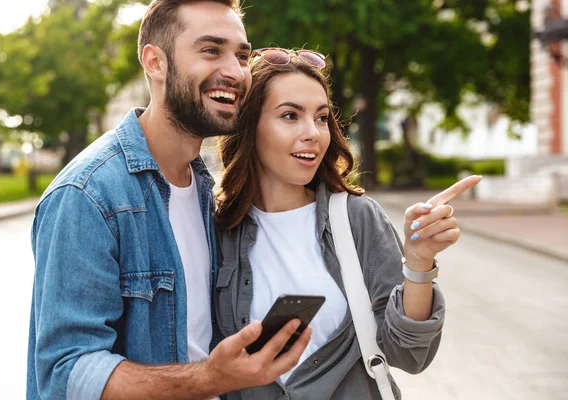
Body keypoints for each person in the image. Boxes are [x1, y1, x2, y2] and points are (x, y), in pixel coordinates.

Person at [27, 3, 312, 399]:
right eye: (211, 50)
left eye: (242, 55)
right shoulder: (88, 195)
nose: (234, 71)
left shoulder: (205, 189)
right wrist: (210, 378)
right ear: (154, 62)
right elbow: (68, 370)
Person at [215, 48, 482, 399]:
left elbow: (408, 354)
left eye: (322, 117)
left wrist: (418, 263)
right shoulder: (218, 230)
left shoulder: (356, 218)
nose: (313, 133)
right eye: (290, 116)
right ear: (250, 126)